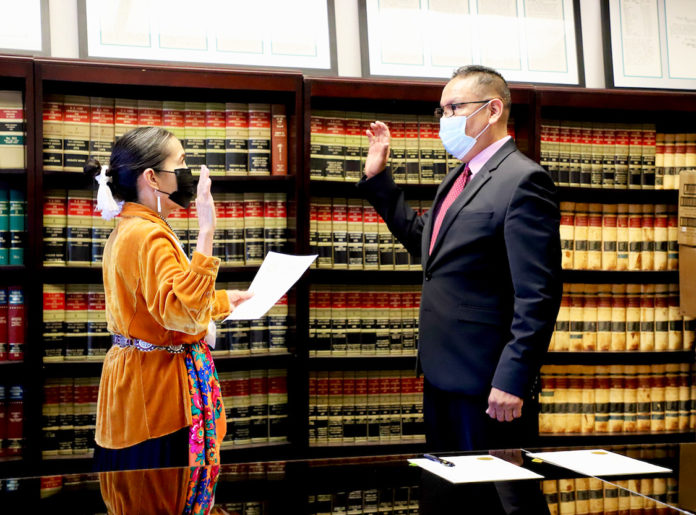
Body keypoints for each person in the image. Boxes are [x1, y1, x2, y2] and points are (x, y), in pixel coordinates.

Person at [358, 65, 562, 451]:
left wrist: (512, 379)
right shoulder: (457, 177)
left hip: (489, 385)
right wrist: (379, 179)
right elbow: (429, 248)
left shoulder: (524, 181)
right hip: (441, 373)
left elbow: (539, 295)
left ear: (493, 110)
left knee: (497, 501)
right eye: (442, 111)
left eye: (453, 108)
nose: (444, 120)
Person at [84, 126, 251, 471]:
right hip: (155, 397)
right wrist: (206, 232)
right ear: (152, 178)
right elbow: (183, 314)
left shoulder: (133, 225)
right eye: (181, 162)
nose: (187, 174)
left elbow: (158, 307)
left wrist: (221, 302)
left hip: (138, 388)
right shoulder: (148, 234)